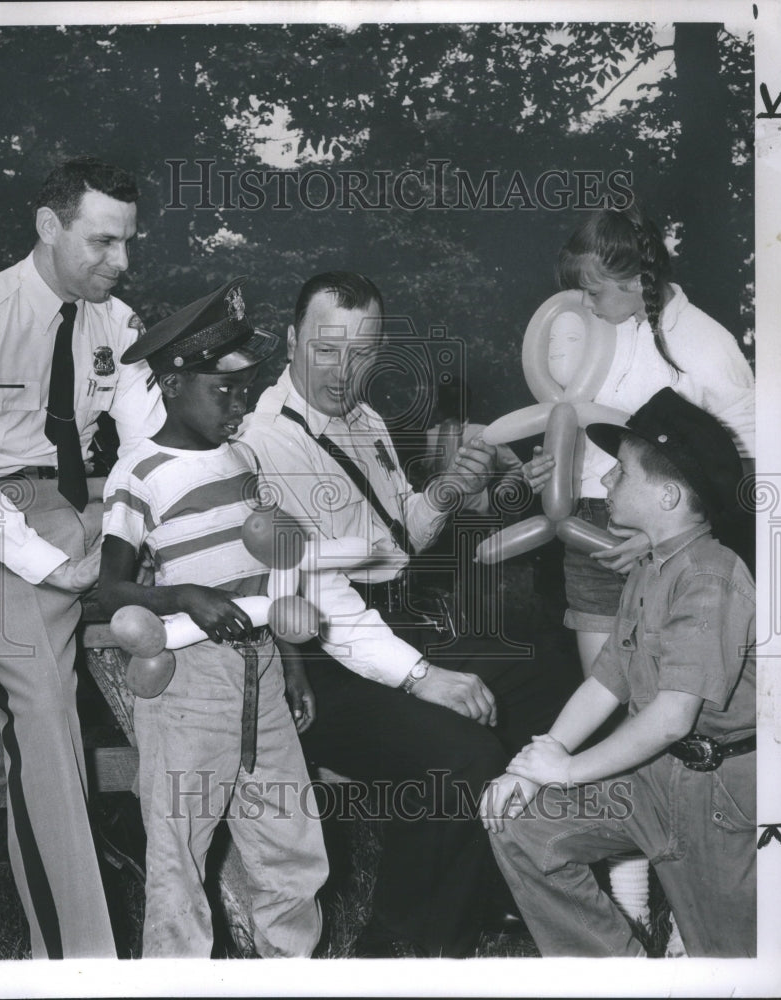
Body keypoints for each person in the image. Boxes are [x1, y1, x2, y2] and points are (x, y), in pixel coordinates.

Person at [237, 271, 570, 957]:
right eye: (327, 349)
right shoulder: (267, 442)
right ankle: (399, 950)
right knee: (459, 756)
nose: (344, 371)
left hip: (394, 635)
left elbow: (397, 542)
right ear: (292, 338)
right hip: (322, 666)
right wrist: (424, 679)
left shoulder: (366, 422)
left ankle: (506, 884)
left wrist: (453, 486)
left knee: (548, 678)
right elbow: (324, 595)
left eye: (363, 353)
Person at [0, 156, 165, 958]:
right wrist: (52, 566)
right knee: (46, 713)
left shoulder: (119, 324)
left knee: (222, 622)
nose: (120, 263)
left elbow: (151, 449)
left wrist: (119, 533)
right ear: (48, 226)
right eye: (102, 243)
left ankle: (224, 920)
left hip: (91, 504)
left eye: (127, 244)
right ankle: (79, 959)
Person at [523, 203, 755, 937]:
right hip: (601, 531)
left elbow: (748, 469)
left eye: (593, 289)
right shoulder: (603, 329)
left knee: (673, 724)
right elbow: (593, 432)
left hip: (677, 540)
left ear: (633, 277)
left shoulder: (703, 347)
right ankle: (631, 910)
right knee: (617, 713)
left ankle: (695, 910)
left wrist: (671, 539)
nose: (581, 306)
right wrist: (555, 468)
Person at [97, 277, 329, 958]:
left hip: (261, 678)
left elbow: (273, 568)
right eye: (221, 391)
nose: (238, 404)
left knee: (291, 849)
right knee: (178, 861)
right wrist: (182, 597)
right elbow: (110, 590)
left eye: (244, 390)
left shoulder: (245, 459)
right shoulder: (139, 473)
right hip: (189, 688)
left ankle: (291, 970)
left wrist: (292, 666)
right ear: (171, 385)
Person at [483, 388, 756, 958]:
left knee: (730, 965)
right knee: (519, 822)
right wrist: (537, 765)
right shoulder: (651, 566)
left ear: (670, 495)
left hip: (717, 799)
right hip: (652, 783)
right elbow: (607, 680)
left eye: (620, 472)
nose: (604, 483)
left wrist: (568, 771)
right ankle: (616, 977)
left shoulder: (710, 577)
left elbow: (671, 718)